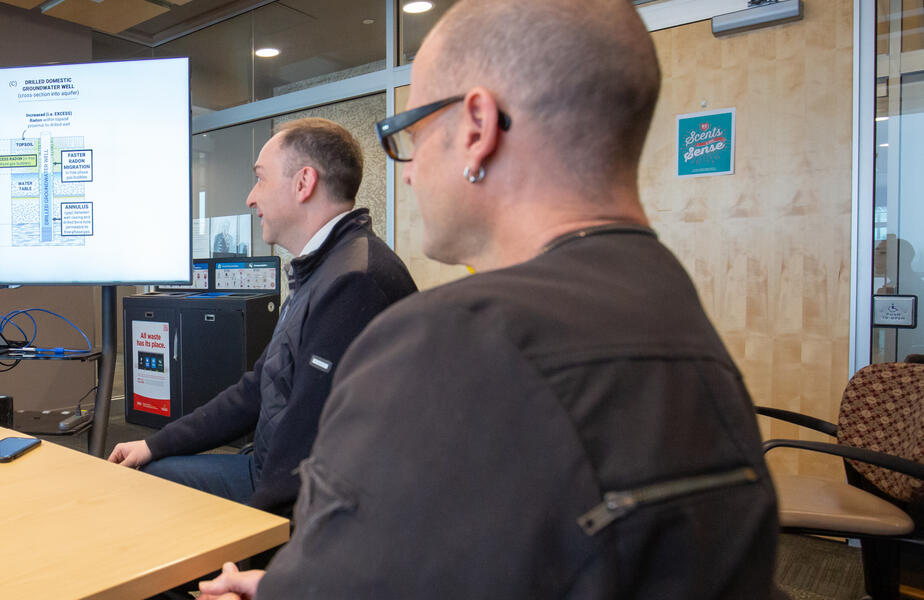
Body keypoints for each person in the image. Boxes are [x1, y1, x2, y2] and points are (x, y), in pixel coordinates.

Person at [198, 0, 779, 598]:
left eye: (412, 135)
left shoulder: (454, 338)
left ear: (476, 128)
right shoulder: (683, 323)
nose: (410, 172)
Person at [107, 118, 416, 515]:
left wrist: (257, 550)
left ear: (304, 183)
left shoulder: (354, 281)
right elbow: (257, 389)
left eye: (260, 179)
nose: (251, 198)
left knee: (146, 490)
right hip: (267, 466)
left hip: (297, 499)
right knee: (149, 466)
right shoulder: (324, 269)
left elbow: (309, 442)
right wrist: (154, 443)